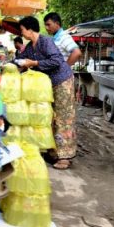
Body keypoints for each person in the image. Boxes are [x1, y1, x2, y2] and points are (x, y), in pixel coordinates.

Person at [18, 16, 76, 170]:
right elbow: (20, 60)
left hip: (62, 81)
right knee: (50, 117)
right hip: (48, 85)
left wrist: (34, 63)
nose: (22, 34)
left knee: (63, 118)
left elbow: (57, 60)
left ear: (30, 30)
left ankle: (65, 156)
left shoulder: (46, 42)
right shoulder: (30, 46)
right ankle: (53, 152)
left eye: (22, 30)